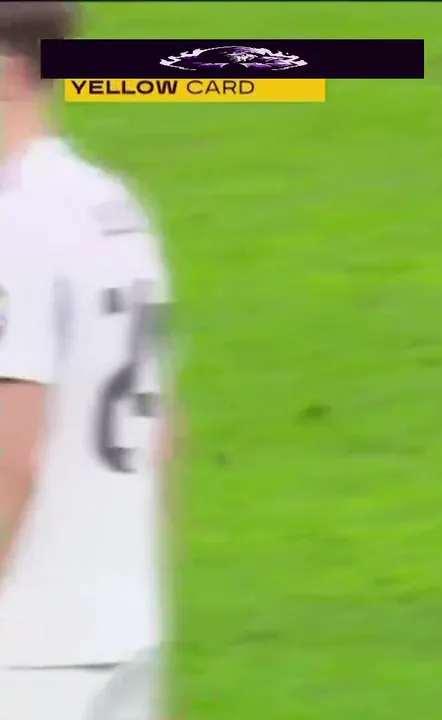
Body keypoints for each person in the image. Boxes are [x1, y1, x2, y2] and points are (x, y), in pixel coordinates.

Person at [0, 3, 176, 719]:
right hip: (125, 623)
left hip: (30, 642)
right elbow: (163, 429)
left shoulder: (11, 221)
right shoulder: (116, 207)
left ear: (9, 74)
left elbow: (13, 451)